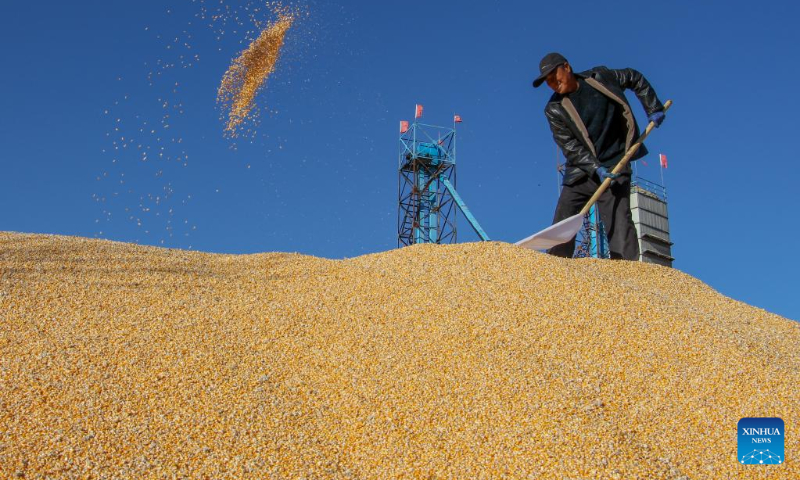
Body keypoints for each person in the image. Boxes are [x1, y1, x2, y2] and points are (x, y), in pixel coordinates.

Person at [532, 52, 665, 260]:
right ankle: (555, 270)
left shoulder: (601, 77)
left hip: (616, 167)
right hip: (582, 172)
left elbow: (633, 77)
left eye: (553, 77)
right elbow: (570, 146)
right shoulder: (554, 109)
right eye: (548, 82)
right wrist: (595, 168)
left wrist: (653, 106)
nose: (553, 84)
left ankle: (628, 278)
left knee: (620, 224)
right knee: (562, 222)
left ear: (566, 67)